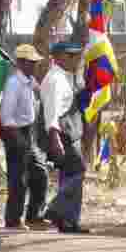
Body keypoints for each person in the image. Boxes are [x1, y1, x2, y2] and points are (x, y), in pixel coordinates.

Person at [0, 44, 50, 230]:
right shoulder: (14, 84)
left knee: (40, 174)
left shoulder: (29, 81)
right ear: (20, 63)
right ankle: (13, 219)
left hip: (30, 133)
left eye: (35, 62)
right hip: (16, 133)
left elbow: (42, 92)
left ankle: (34, 216)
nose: (34, 65)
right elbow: (6, 117)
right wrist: (18, 140)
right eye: (30, 62)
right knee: (18, 179)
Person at [41, 41, 88, 234]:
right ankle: (55, 209)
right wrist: (55, 138)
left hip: (71, 132)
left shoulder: (65, 77)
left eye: (77, 56)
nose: (76, 59)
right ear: (59, 57)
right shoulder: (55, 80)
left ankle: (68, 221)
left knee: (69, 175)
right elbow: (51, 112)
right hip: (63, 134)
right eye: (71, 56)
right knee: (78, 172)